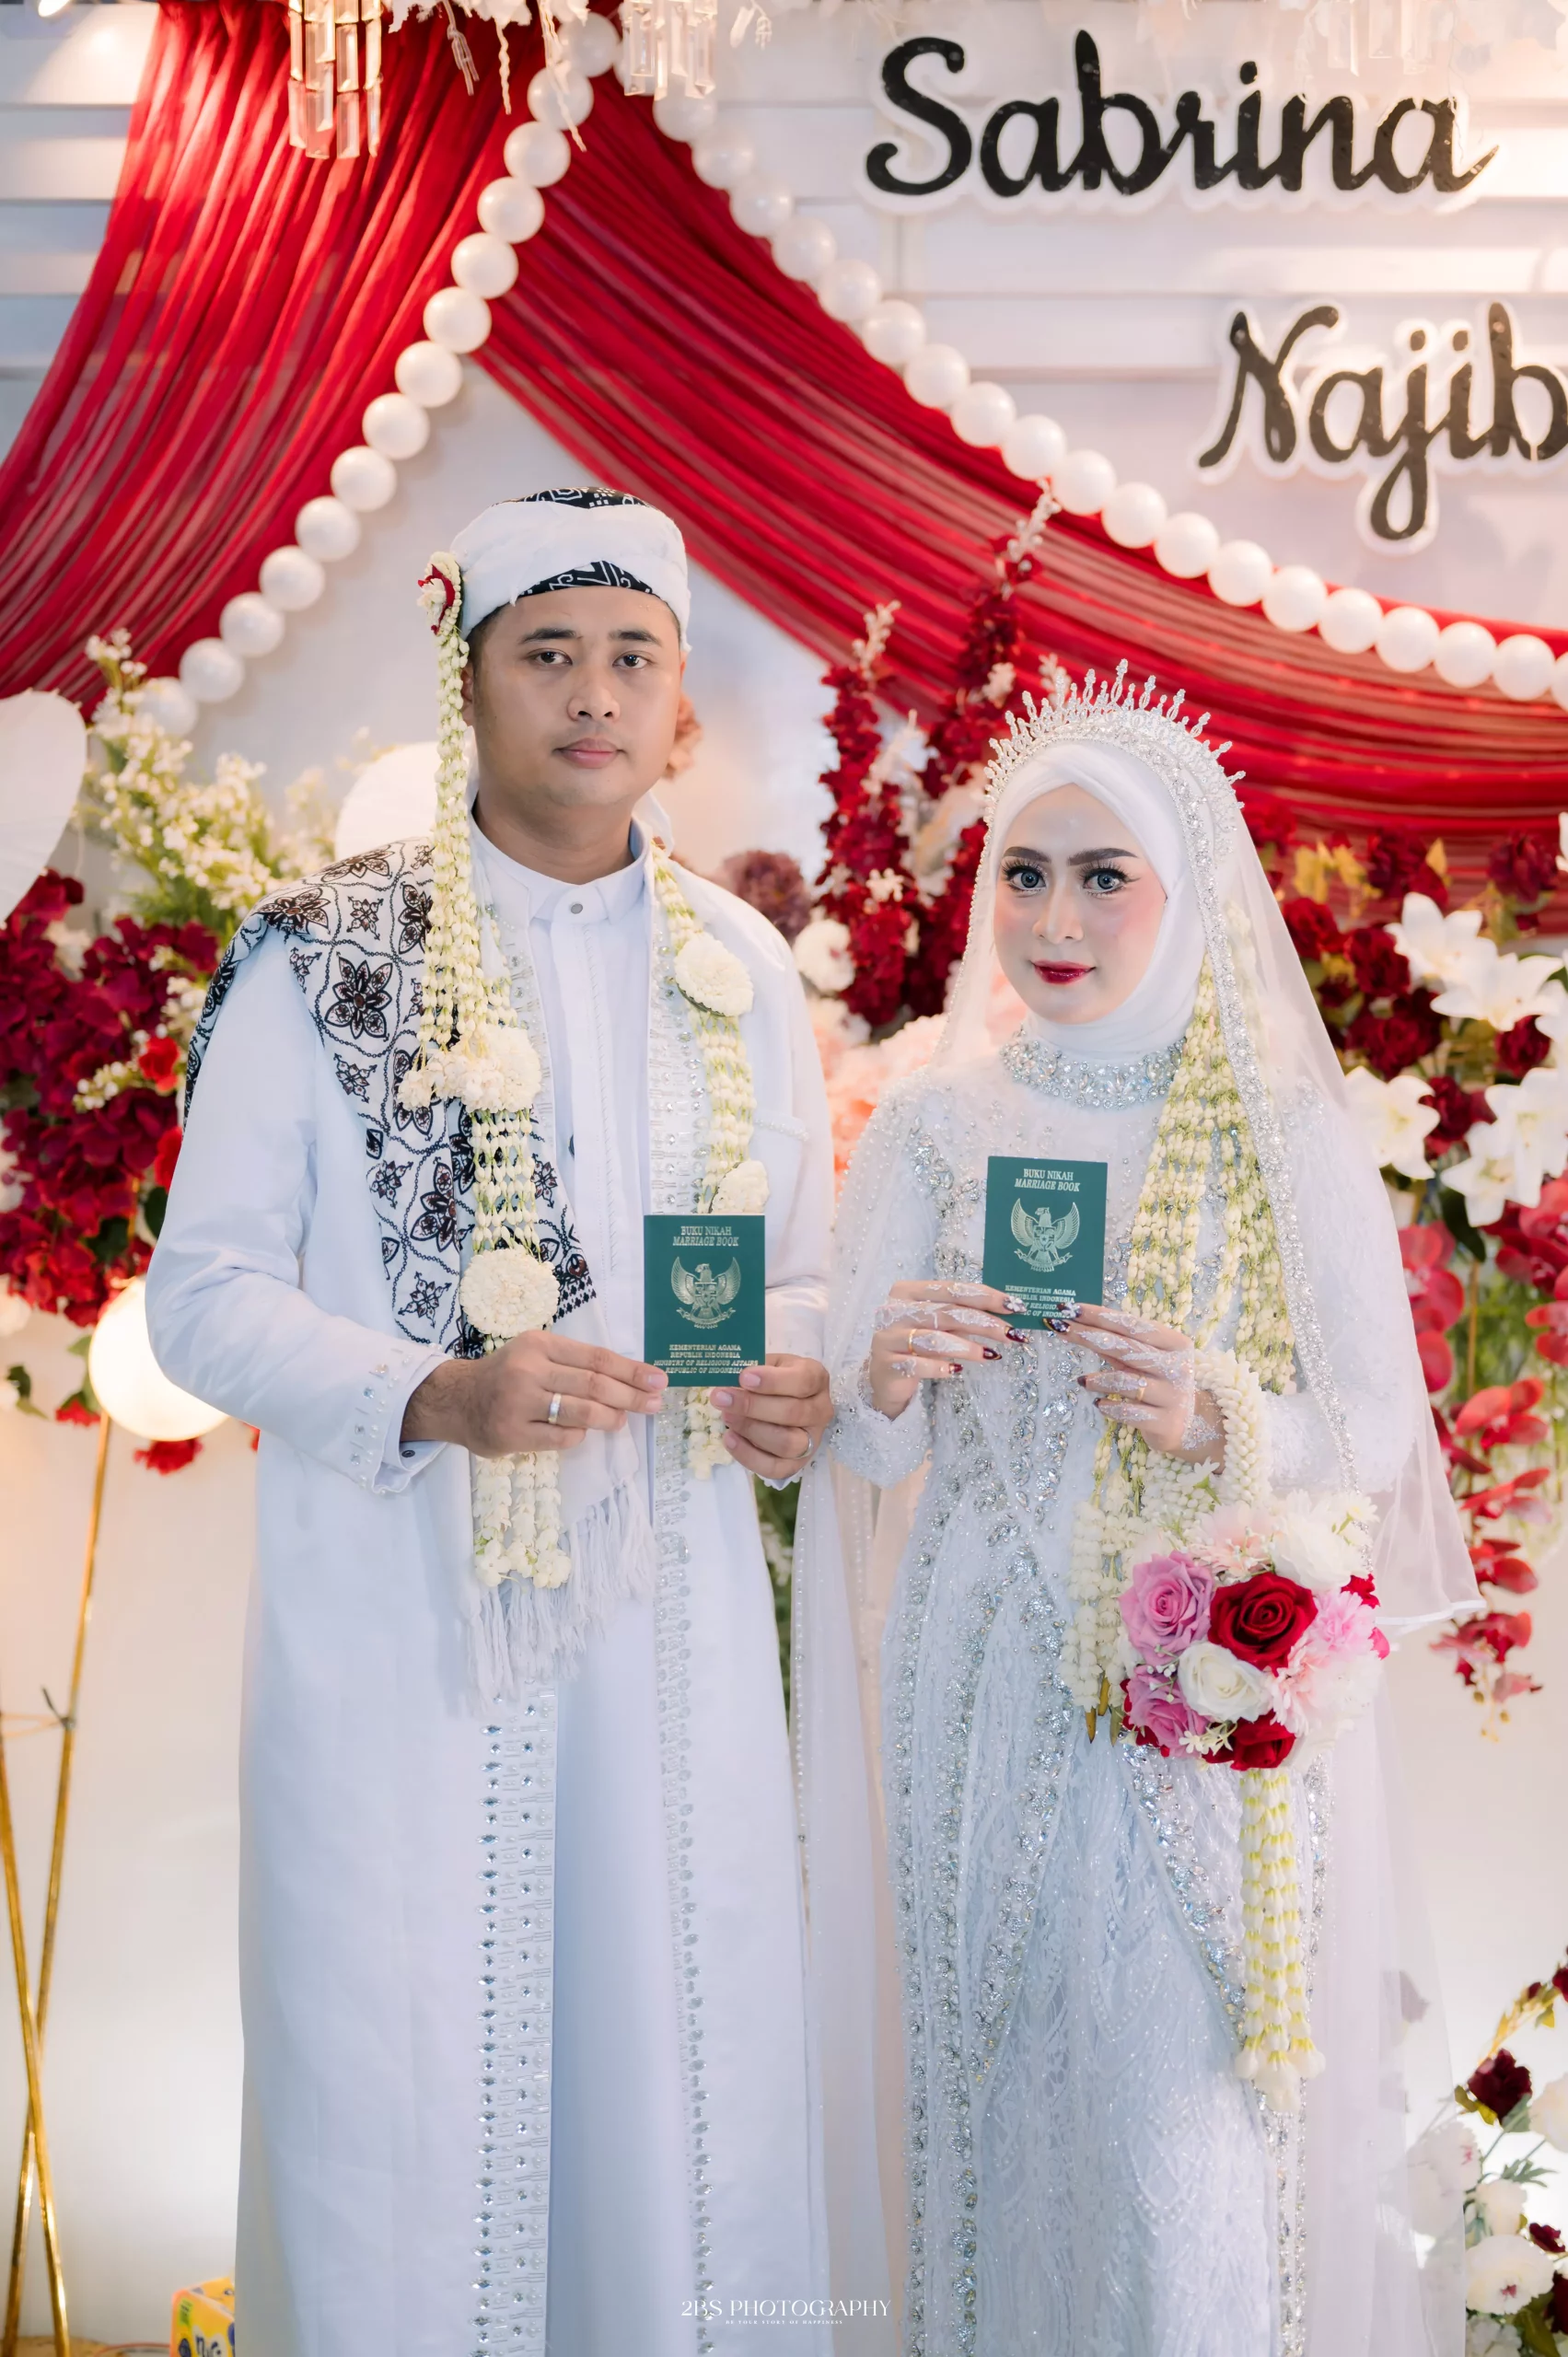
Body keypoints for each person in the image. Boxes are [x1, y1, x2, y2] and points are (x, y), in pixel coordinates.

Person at [146, 489, 843, 2357]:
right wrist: (436, 1391)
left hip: (668, 1617)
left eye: (632, 656)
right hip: (407, 1621)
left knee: (671, 2069)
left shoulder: (739, 966)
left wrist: (792, 1382)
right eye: (547, 653)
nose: (593, 695)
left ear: (679, 701)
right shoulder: (324, 957)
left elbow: (793, 1278)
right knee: (403, 2077)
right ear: (468, 683)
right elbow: (202, 1294)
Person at [809, 670, 1476, 2357]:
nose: (1056, 919)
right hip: (975, 1672)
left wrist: (1215, 1412)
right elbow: (862, 1451)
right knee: (991, 2069)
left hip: (1195, 1686)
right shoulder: (932, 1124)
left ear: (1184, 892)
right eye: (1024, 874)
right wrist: (881, 1369)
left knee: (1181, 2123)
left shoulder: (1275, 1129)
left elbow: (1373, 1430)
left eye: (1104, 876)